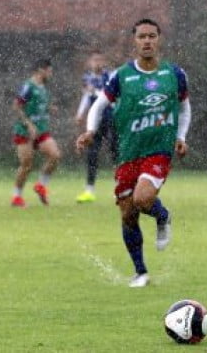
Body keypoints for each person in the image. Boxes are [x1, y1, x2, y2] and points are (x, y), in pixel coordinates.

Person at [75, 19, 190, 288]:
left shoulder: (174, 74)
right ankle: (141, 272)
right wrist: (91, 131)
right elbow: (99, 105)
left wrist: (181, 137)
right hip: (128, 153)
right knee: (128, 213)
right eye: (142, 37)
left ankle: (162, 216)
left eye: (152, 36)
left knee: (143, 197)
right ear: (134, 41)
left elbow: (185, 108)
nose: (147, 41)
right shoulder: (121, 76)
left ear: (159, 39)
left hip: (158, 150)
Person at [10, 59, 61, 208]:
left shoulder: (43, 88)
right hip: (25, 131)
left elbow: (40, 105)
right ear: (41, 70)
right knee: (27, 165)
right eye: (49, 71)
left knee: (55, 155)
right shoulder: (28, 86)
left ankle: (41, 185)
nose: (51, 74)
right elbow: (17, 106)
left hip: (41, 130)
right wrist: (28, 124)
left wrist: (50, 108)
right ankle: (16, 196)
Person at [74, 51, 117, 203]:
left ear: (104, 61)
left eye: (99, 59)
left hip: (111, 119)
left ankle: (120, 188)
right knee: (92, 154)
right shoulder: (87, 78)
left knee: (115, 153)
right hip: (95, 124)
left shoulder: (111, 76)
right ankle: (89, 191)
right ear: (90, 62)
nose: (97, 62)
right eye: (94, 60)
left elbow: (111, 98)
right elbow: (86, 97)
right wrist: (80, 113)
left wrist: (96, 92)